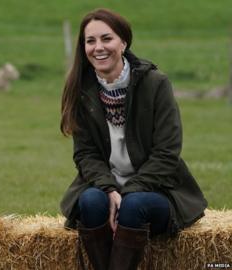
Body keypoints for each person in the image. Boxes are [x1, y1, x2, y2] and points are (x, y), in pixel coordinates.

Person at [59, 8, 207, 270]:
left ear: (123, 42)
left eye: (107, 38)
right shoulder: (81, 90)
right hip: (105, 187)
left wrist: (127, 193)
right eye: (90, 41)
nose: (98, 47)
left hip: (156, 190)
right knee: (91, 202)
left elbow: (167, 153)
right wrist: (109, 189)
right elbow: (85, 154)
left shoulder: (155, 83)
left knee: (133, 206)